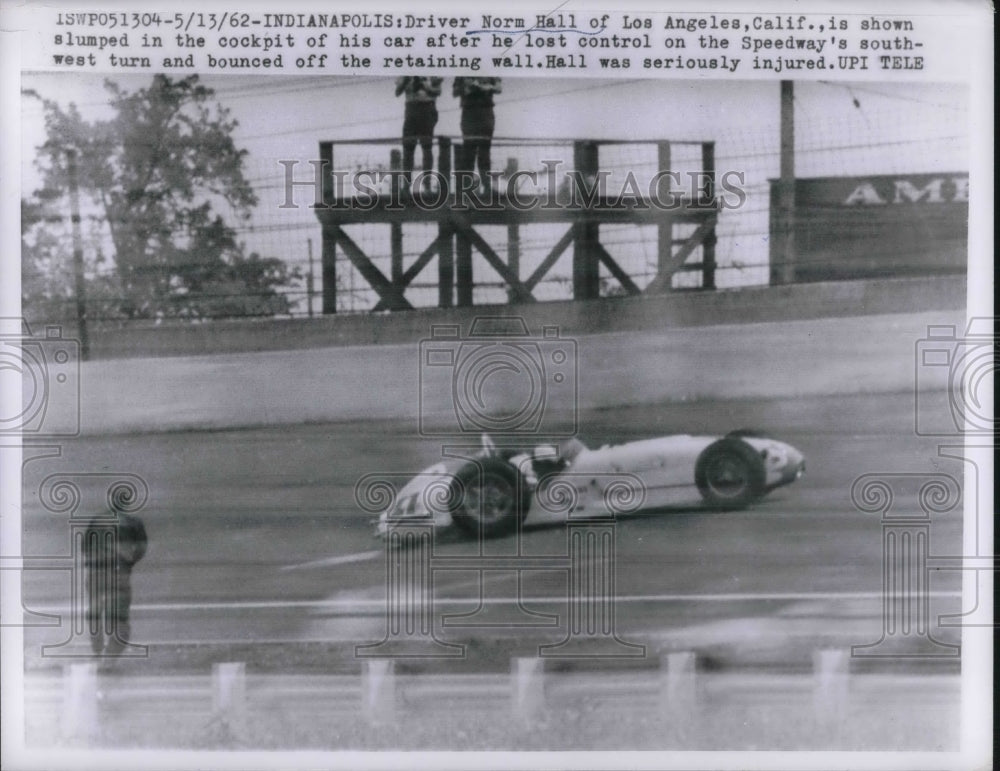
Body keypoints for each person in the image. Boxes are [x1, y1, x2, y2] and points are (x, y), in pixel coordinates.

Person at [83, 510, 147, 654]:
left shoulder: (97, 520)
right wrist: (128, 561)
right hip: (119, 573)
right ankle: (110, 656)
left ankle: (97, 647)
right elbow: (141, 548)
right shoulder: (133, 523)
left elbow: (85, 546)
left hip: (96, 573)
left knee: (95, 610)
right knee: (119, 615)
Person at [453, 77, 502, 192]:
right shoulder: (462, 72)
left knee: (484, 151)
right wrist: (467, 88)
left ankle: (487, 186)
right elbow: (455, 92)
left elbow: (499, 89)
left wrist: (485, 87)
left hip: (486, 112)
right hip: (469, 113)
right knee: (468, 150)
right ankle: (467, 186)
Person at [395, 76, 443, 191]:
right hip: (411, 109)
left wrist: (425, 86)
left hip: (427, 108)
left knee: (426, 147)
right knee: (408, 147)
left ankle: (427, 184)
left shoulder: (432, 71)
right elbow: (397, 92)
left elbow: (438, 91)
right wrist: (407, 80)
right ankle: (406, 185)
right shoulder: (406, 71)